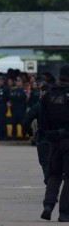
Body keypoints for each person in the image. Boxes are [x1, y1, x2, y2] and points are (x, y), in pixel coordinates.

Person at [40, 65, 69, 222]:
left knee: (54, 174)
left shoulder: (48, 94)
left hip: (53, 141)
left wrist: (48, 135)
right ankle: (64, 213)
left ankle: (48, 205)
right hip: (68, 140)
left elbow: (42, 118)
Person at [23, 82, 51, 185]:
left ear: (42, 93)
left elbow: (26, 121)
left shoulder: (38, 106)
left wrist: (30, 133)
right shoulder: (60, 105)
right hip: (58, 139)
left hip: (43, 138)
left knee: (45, 163)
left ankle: (50, 185)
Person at [0, 76, 9, 141]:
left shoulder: (6, 88)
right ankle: (0, 136)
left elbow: (6, 97)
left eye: (1, 80)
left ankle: (5, 136)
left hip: (3, 106)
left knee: (3, 121)